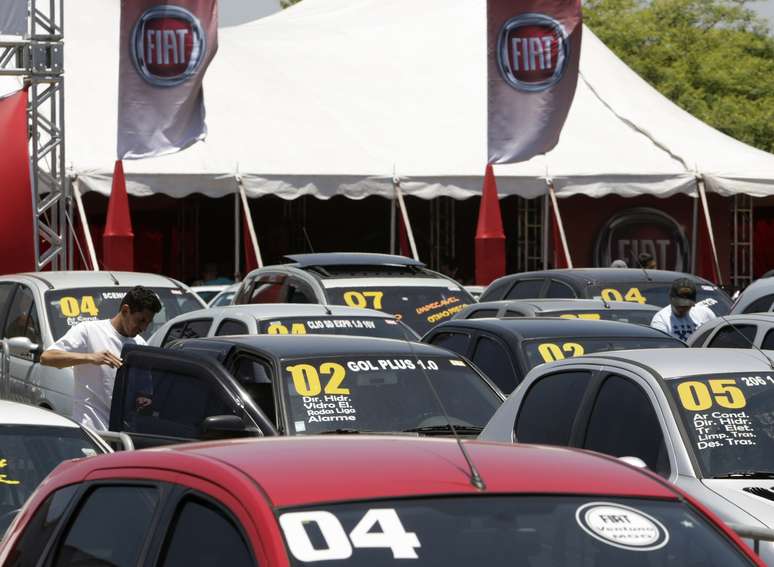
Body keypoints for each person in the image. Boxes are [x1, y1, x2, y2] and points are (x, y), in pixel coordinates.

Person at [40, 286, 162, 431]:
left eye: (148, 322)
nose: (144, 328)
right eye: (141, 320)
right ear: (125, 310)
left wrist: (143, 399)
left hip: (124, 435)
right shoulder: (88, 330)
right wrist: (90, 357)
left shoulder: (140, 344)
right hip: (92, 432)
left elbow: (144, 389)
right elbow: (47, 357)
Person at [650, 278, 716, 341]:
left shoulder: (705, 314)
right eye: (679, 305)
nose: (682, 309)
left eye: (686, 305)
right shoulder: (661, 319)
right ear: (671, 299)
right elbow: (662, 348)